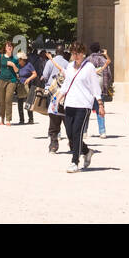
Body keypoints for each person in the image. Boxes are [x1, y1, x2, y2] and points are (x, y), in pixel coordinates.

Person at [56, 42, 101, 173]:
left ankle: (74, 161)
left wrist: (100, 103)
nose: (75, 56)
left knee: (77, 133)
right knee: (70, 134)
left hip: (83, 105)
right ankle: (87, 151)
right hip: (69, 103)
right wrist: (57, 98)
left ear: (83, 53)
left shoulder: (89, 67)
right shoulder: (69, 66)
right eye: (73, 53)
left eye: (77, 53)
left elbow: (95, 86)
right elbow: (66, 84)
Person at [41, 48, 69, 153]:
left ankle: (53, 143)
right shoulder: (67, 63)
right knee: (67, 118)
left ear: (56, 52)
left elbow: (45, 75)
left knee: (53, 117)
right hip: (65, 94)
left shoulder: (49, 62)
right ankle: (71, 141)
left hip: (53, 92)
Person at [0, 40, 20, 126]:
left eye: (11, 46)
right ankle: (2, 118)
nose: (9, 47)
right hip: (1, 80)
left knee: (8, 99)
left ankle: (8, 119)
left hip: (12, 80)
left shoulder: (15, 58)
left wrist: (13, 65)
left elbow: (17, 71)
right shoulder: (0, 57)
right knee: (2, 100)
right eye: (8, 46)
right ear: (5, 48)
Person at [89, 44, 111, 137]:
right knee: (100, 109)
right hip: (100, 88)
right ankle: (102, 131)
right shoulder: (103, 60)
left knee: (87, 111)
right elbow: (109, 74)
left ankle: (85, 131)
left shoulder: (88, 60)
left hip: (89, 89)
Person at [15, 51, 37, 126]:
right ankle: (21, 119)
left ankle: (31, 119)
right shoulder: (18, 65)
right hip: (20, 85)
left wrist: (29, 79)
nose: (18, 60)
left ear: (22, 59)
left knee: (28, 102)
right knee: (20, 103)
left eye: (19, 59)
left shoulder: (29, 65)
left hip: (28, 86)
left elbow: (35, 74)